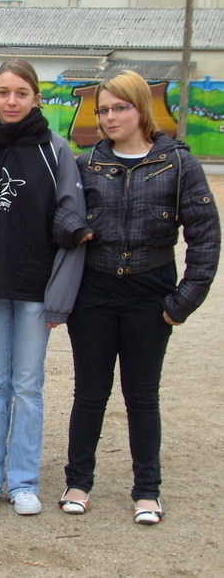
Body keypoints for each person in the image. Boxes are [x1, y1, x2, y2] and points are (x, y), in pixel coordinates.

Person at [59, 70, 220, 524]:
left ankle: (147, 490)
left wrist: (182, 301)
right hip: (94, 292)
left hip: (151, 292)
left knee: (142, 395)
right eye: (104, 110)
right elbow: (58, 216)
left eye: (120, 107)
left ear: (140, 109)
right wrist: (73, 228)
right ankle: (78, 481)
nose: (110, 117)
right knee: (89, 393)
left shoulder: (177, 164)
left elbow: (206, 235)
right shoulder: (85, 164)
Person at [0, 59, 87, 516]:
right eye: (4, 92)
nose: (11, 101)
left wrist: (61, 297)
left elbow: (72, 224)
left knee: (28, 385)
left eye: (21, 93)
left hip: (37, 289)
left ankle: (23, 481)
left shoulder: (56, 152)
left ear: (35, 97)